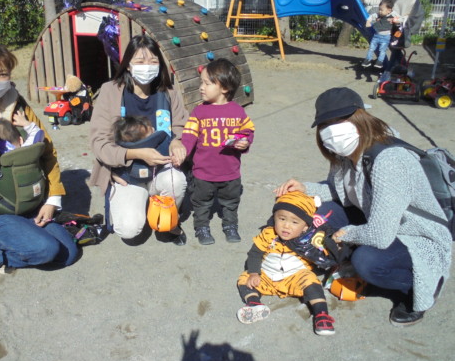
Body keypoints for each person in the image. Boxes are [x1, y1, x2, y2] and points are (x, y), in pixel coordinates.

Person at [276, 87, 451, 326]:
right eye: (325, 124)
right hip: (376, 218)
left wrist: (346, 234)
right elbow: (341, 192)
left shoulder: (390, 160)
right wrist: (305, 188)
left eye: (341, 119)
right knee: (321, 213)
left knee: (367, 261)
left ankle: (417, 285)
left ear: (361, 117)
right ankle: (336, 258)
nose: (333, 130)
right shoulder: (344, 155)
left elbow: (380, 235)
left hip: (415, 234)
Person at [0, 42, 78, 269]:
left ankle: (21, 234)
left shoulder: (16, 104)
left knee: (69, 253)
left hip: (28, 196)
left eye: (3, 74)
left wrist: (52, 199)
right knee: (47, 249)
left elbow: (46, 150)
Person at [89, 34, 189, 245]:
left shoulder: (168, 92)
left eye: (153, 61)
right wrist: (133, 154)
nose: (147, 67)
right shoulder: (110, 91)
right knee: (129, 230)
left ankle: (167, 219)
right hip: (125, 173)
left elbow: (181, 124)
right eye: (140, 61)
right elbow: (99, 141)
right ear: (127, 65)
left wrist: (176, 140)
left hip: (162, 168)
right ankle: (138, 200)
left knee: (178, 181)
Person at [236, 191, 337, 335]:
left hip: (294, 277)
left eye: (294, 222)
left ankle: (321, 315)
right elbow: (255, 253)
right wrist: (254, 273)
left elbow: (322, 257)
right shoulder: (268, 234)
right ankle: (253, 303)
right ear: (274, 218)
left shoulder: (309, 240)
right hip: (267, 276)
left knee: (310, 280)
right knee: (245, 277)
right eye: (282, 219)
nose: (286, 226)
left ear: (305, 226)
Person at [178, 58, 254, 245]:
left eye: (207, 83)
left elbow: (248, 131)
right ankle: (201, 227)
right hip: (203, 172)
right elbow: (189, 135)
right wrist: (183, 152)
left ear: (225, 88)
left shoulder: (237, 112)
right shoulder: (199, 112)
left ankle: (230, 225)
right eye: (201, 83)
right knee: (201, 202)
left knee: (230, 202)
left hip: (230, 172)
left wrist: (244, 142)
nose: (201, 88)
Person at [380, 0, 422, 76]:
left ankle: (387, 72)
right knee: (394, 48)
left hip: (402, 26)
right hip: (390, 24)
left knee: (395, 48)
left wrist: (401, 20)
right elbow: (385, 7)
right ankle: (406, 70)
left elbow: (414, 15)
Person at [362, 0, 399, 70]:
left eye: (381, 10)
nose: (379, 11)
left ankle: (380, 61)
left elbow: (400, 19)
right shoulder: (378, 15)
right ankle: (368, 60)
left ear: (389, 10)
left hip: (385, 37)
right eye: (379, 9)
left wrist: (396, 20)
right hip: (376, 36)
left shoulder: (392, 15)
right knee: (371, 48)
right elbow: (371, 16)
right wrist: (368, 21)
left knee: (382, 50)